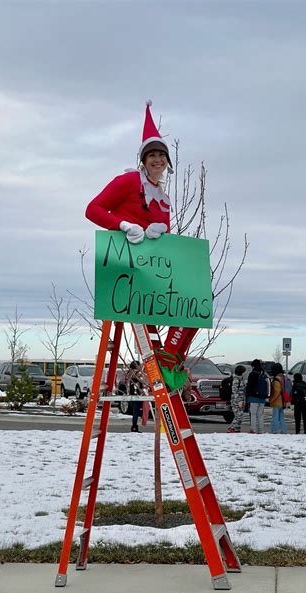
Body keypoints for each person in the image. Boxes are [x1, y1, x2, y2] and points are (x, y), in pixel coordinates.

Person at [85, 101, 196, 390]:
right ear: (143, 160)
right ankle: (166, 359)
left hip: (152, 268)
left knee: (195, 302)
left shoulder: (163, 196)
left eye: (162, 155)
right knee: (190, 298)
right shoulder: (128, 181)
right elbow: (93, 209)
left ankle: (171, 358)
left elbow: (164, 238)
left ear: (167, 161)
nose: (157, 159)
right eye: (152, 155)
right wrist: (122, 225)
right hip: (127, 268)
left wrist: (160, 232)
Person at [245, 359, 268, 434]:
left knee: (253, 414)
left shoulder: (252, 374)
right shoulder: (264, 373)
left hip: (253, 397)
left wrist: (247, 396)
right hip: (262, 397)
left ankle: (253, 430)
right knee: (260, 415)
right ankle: (261, 430)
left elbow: (249, 386)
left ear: (253, 366)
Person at [125, 360, 148, 432]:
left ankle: (134, 426)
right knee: (136, 411)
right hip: (137, 394)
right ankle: (134, 427)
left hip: (132, 394)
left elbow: (127, 382)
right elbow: (142, 381)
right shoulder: (136, 373)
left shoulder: (129, 373)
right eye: (139, 365)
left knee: (135, 410)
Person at [227, 365, 247, 433]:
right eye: (244, 371)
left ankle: (237, 428)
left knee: (239, 415)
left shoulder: (241, 378)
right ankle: (231, 427)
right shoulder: (236, 379)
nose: (245, 373)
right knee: (238, 415)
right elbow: (234, 390)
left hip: (242, 399)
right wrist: (239, 401)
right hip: (236, 400)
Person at [269, 363, 287, 434]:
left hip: (277, 401)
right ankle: (284, 430)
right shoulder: (284, 377)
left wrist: (271, 400)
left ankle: (274, 430)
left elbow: (276, 392)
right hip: (283, 401)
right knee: (281, 417)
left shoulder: (277, 379)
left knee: (275, 417)